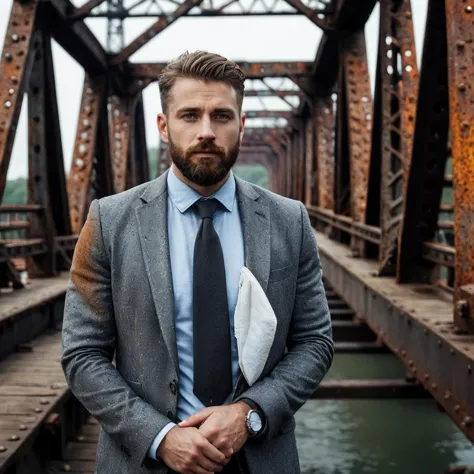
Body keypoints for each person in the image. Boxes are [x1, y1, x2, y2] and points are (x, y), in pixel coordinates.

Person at [61, 50, 334, 474]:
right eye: (190, 115)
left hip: (258, 458)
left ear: (240, 125)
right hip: (146, 461)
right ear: (163, 125)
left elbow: (315, 342)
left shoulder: (288, 220)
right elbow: (82, 353)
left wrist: (249, 414)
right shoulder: (110, 220)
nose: (206, 131)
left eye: (221, 116)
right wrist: (159, 436)